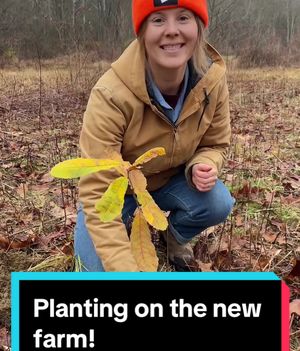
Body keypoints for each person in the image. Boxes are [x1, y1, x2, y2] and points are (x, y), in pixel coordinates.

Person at [74, 0, 234, 272]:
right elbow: (98, 187)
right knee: (97, 271)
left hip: (169, 184)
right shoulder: (110, 94)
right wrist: (125, 270)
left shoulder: (212, 82)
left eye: (183, 18)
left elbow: (216, 143)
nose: (172, 31)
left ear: (198, 27)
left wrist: (203, 163)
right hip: (117, 192)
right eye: (158, 20)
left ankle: (173, 236)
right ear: (142, 32)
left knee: (218, 202)